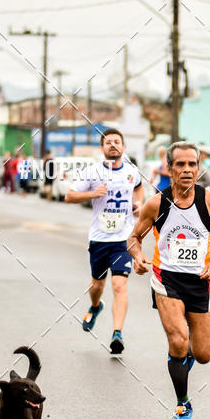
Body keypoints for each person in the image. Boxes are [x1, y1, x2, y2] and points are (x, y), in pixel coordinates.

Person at [127, 141, 210, 419]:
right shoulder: (156, 203)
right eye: (180, 164)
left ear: (199, 168)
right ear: (169, 168)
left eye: (192, 164)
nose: (187, 170)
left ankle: (184, 353)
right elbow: (133, 238)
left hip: (201, 282)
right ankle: (182, 403)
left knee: (203, 355)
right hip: (167, 279)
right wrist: (138, 258)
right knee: (177, 340)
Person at [65, 128, 144, 354]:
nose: (113, 145)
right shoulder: (92, 172)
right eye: (108, 142)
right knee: (97, 285)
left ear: (123, 148)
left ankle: (117, 333)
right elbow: (69, 196)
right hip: (99, 239)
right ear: (102, 148)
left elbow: (139, 188)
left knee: (119, 285)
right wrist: (92, 194)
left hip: (123, 239)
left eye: (117, 142)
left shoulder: (131, 171)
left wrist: (138, 205)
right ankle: (95, 306)